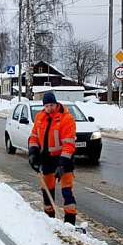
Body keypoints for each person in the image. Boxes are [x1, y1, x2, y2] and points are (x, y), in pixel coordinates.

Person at [27, 92, 77, 225]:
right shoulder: (40, 117)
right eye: (47, 105)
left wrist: (62, 165)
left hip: (64, 161)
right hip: (47, 161)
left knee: (67, 192)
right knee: (47, 192)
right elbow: (34, 137)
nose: (49, 108)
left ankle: (70, 223)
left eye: (51, 105)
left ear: (56, 104)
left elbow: (69, 144)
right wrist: (33, 153)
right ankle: (50, 222)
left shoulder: (67, 119)